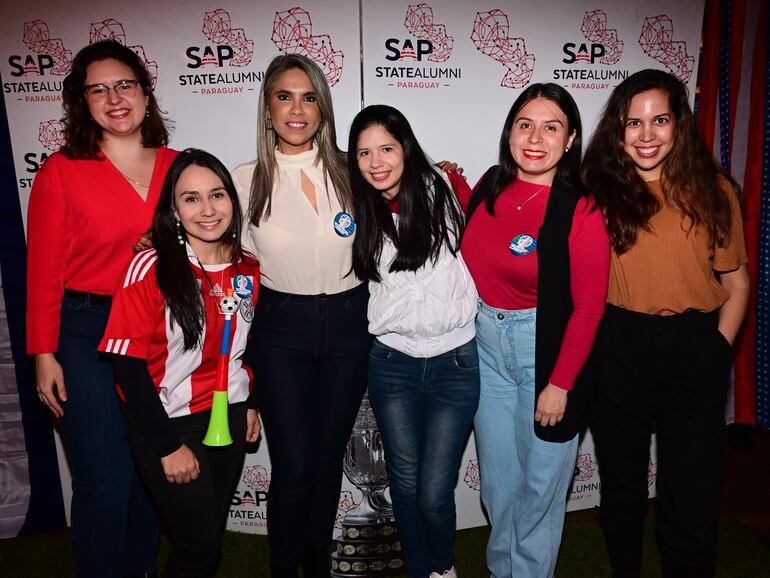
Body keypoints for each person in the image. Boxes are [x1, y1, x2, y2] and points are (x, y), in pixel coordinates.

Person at [582, 69, 750, 578]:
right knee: (623, 489)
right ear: (618, 129)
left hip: (694, 345)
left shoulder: (714, 191)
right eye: (634, 122)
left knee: (692, 490)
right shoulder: (595, 190)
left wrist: (718, 349)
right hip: (618, 346)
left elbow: (736, 282)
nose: (647, 134)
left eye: (660, 119)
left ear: (679, 125)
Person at [26, 39, 178, 578]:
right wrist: (43, 353)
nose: (115, 98)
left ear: (144, 92)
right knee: (105, 476)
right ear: (81, 101)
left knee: (146, 472)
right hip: (84, 331)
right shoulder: (62, 171)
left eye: (125, 85)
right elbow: (42, 270)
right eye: (99, 89)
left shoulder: (178, 167)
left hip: (158, 333)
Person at [449, 83, 610, 578]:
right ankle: (504, 570)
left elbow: (588, 309)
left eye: (551, 127)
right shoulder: (492, 184)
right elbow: (474, 232)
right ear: (510, 132)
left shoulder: (580, 208)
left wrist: (559, 383)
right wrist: (450, 179)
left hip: (545, 351)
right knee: (499, 484)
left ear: (571, 138)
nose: (535, 137)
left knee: (541, 484)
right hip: (485, 346)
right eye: (525, 124)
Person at [232, 53, 371, 578]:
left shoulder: (353, 169)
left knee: (329, 454)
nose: (297, 108)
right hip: (280, 328)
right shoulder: (244, 182)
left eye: (309, 97)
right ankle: (284, 567)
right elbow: (217, 255)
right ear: (267, 108)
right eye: (284, 96)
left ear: (323, 108)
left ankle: (318, 563)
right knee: (292, 465)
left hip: (350, 322)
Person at [98, 148, 260, 578]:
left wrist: (251, 401)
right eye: (191, 198)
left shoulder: (248, 267)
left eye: (217, 195)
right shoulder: (150, 266)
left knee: (207, 536)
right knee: (197, 545)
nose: (208, 209)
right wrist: (167, 446)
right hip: (167, 422)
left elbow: (249, 343)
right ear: (173, 208)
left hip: (228, 412)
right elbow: (127, 368)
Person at [347, 105, 479, 578]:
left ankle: (444, 568)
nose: (376, 161)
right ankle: (420, 569)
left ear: (406, 148)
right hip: (393, 364)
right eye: (364, 152)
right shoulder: (355, 208)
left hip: (455, 363)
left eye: (386, 148)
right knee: (402, 483)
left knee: (433, 491)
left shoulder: (444, 188)